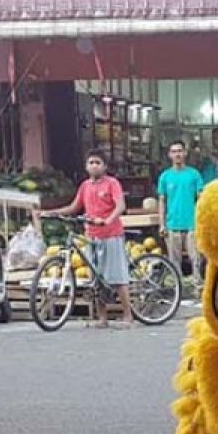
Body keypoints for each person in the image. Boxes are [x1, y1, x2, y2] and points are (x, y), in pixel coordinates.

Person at [38, 149, 135, 329]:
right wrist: (53, 212)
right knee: (96, 278)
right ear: (86, 166)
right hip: (92, 236)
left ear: (105, 166)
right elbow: (74, 207)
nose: (94, 165)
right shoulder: (85, 186)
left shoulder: (112, 183)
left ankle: (128, 315)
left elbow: (120, 206)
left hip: (111, 234)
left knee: (117, 276)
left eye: (98, 162)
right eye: (91, 162)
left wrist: (108, 220)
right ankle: (102, 318)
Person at [156, 140, 205, 291]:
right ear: (169, 155)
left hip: (192, 224)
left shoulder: (194, 174)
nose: (177, 154)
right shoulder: (165, 176)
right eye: (174, 151)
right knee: (174, 260)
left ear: (185, 153)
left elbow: (201, 198)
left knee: (195, 259)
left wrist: (201, 221)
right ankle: (179, 291)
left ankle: (198, 288)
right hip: (172, 224)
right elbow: (162, 201)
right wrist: (162, 224)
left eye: (180, 151)